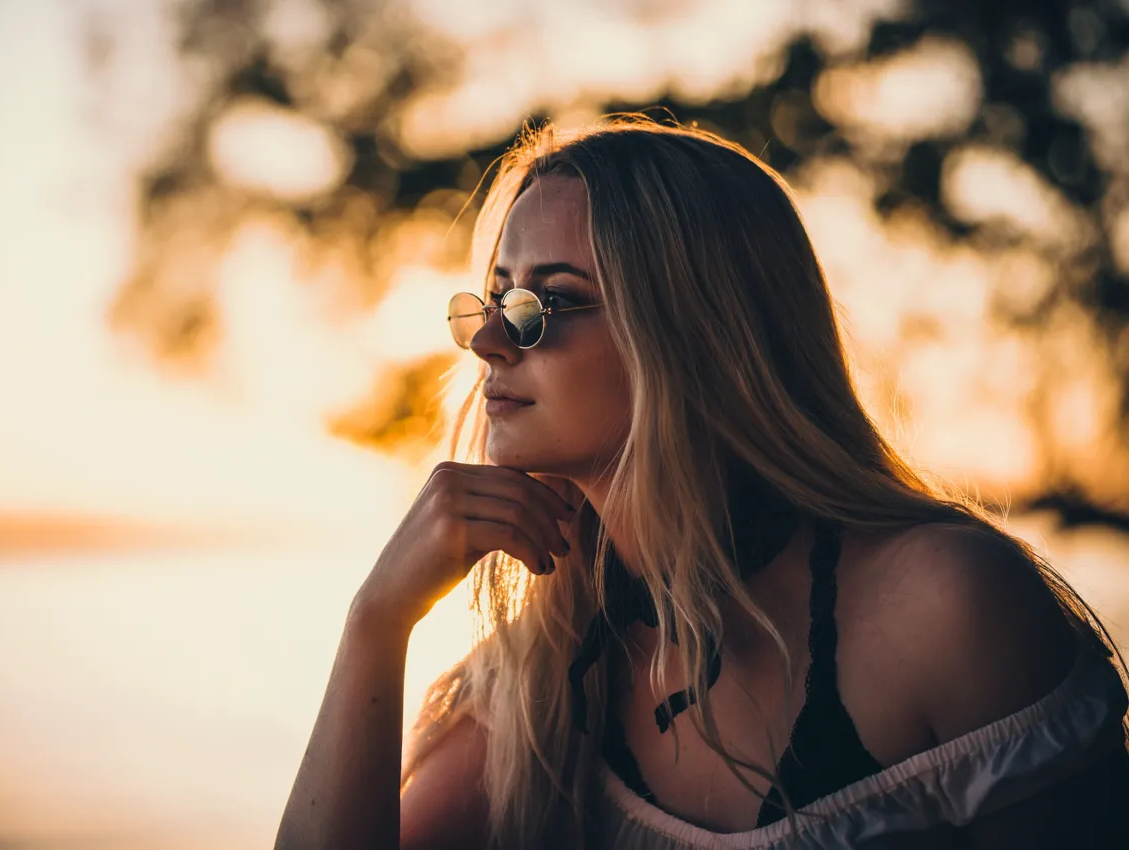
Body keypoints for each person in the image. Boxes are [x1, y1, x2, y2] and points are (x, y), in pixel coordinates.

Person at [273, 119, 1129, 850]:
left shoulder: (944, 606)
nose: (489, 342)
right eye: (493, 299)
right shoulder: (542, 673)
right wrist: (376, 621)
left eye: (546, 304)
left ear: (694, 333)